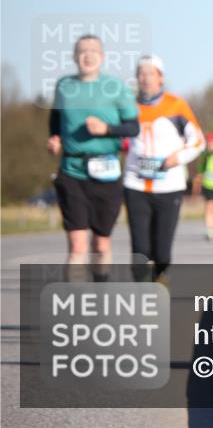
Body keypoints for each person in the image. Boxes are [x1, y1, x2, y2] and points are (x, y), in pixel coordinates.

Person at [47, 34, 140, 279]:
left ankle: (99, 291)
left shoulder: (116, 88)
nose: (88, 55)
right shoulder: (64, 86)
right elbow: (56, 118)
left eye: (93, 51)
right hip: (72, 169)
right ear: (74, 57)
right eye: (82, 51)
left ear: (102, 57)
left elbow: (133, 127)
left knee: (101, 244)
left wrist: (107, 129)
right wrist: (55, 137)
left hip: (106, 172)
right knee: (77, 245)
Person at [122, 55, 205, 283]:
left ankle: (160, 276)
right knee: (140, 248)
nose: (145, 78)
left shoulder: (176, 105)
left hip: (169, 185)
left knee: (162, 251)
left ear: (161, 78)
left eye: (150, 73)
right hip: (135, 183)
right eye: (141, 73)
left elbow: (199, 141)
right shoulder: (128, 105)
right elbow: (119, 139)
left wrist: (176, 158)